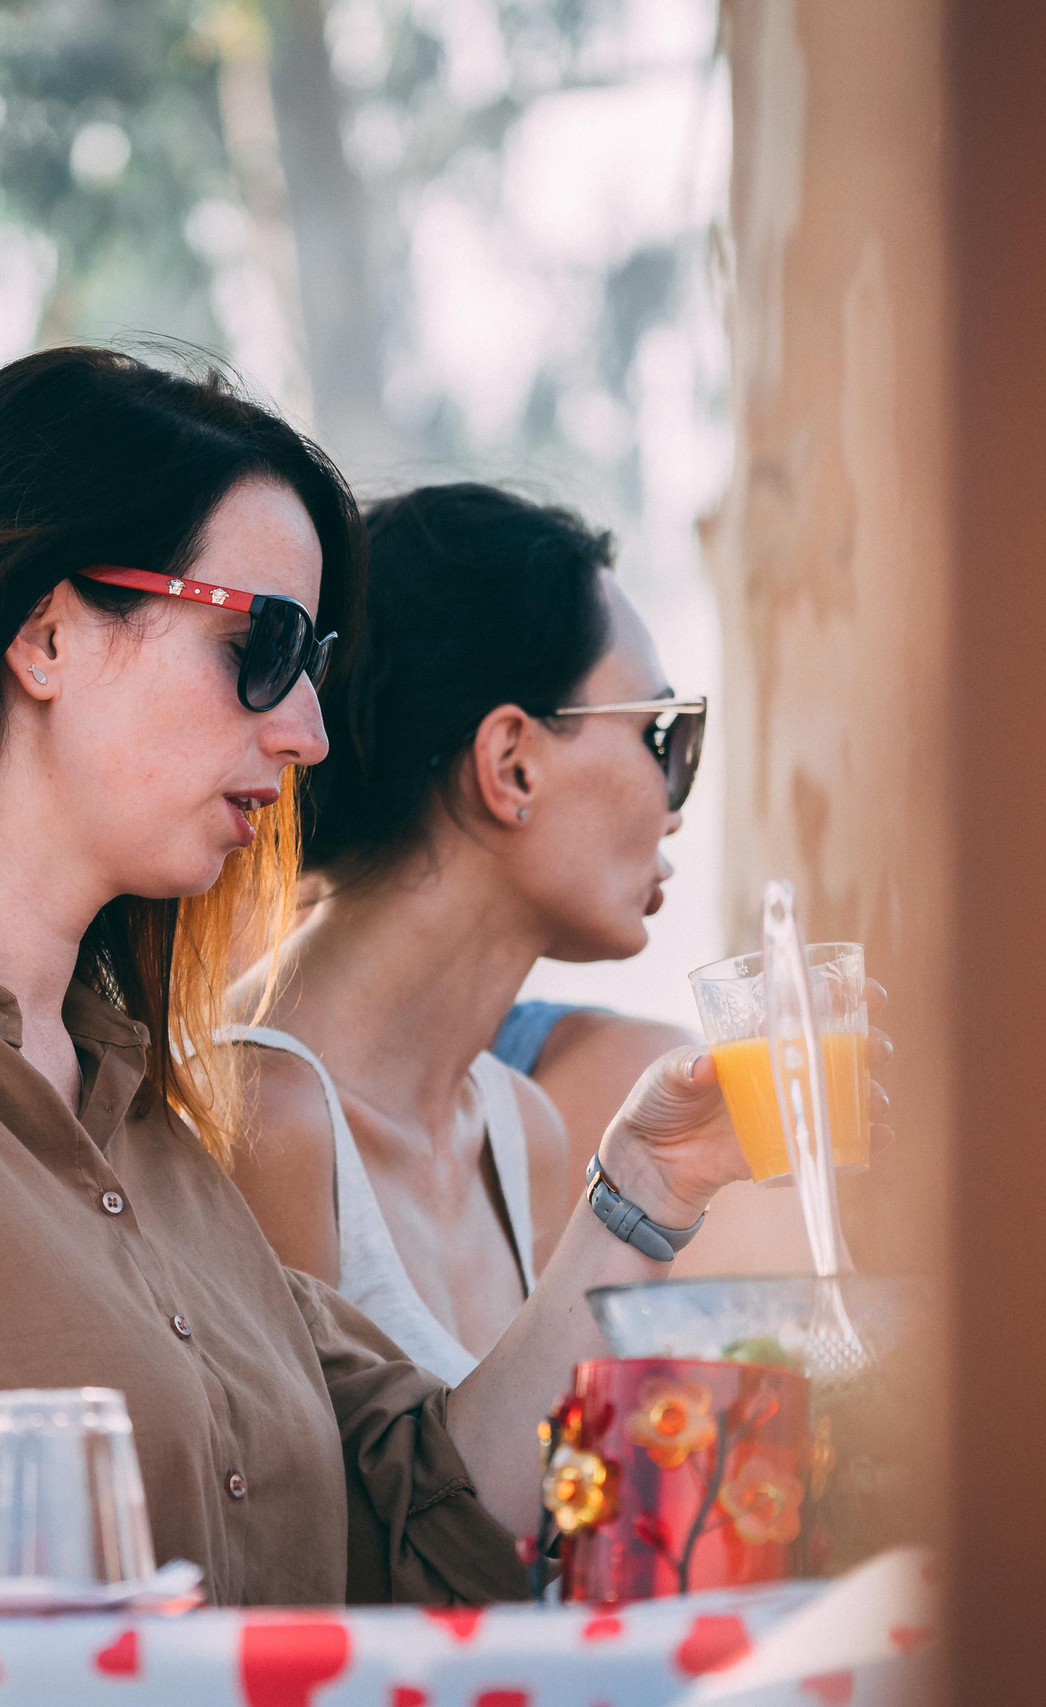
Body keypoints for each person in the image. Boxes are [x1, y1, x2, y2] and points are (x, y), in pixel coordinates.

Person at [0, 350, 745, 1607]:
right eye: (262, 642)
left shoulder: (153, 1122)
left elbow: (438, 1519)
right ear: (47, 632)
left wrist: (642, 1193)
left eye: (315, 664)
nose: (308, 732)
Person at [225, 484, 711, 1382]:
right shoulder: (254, 1115)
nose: (675, 807)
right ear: (511, 763)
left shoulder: (520, 1129)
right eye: (662, 737)